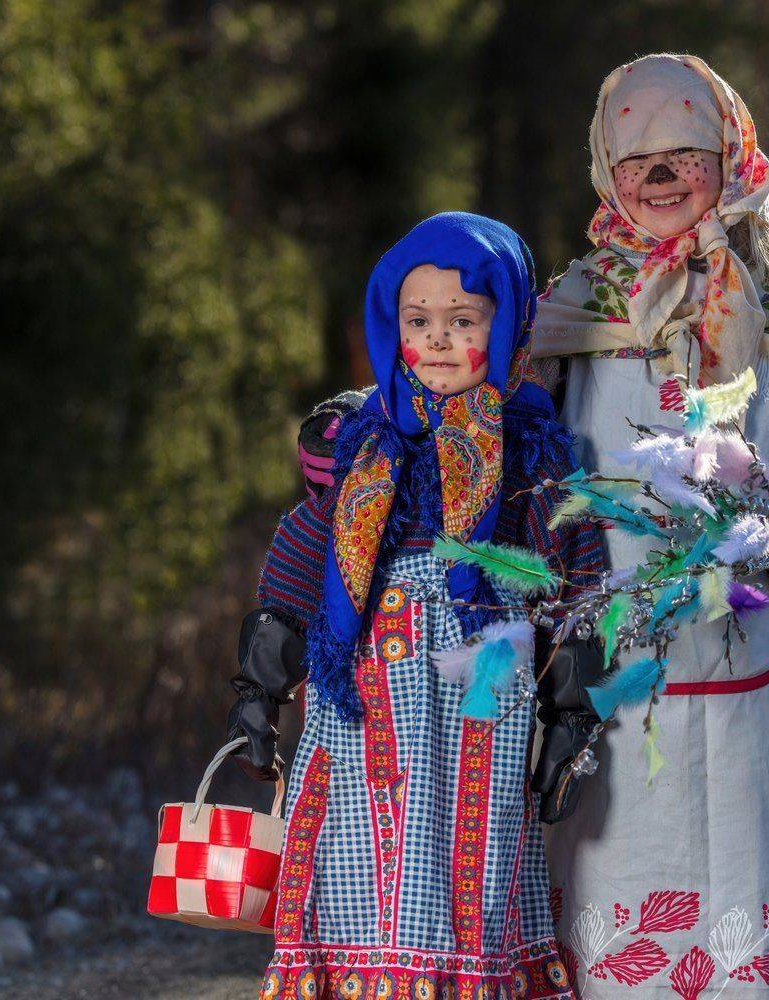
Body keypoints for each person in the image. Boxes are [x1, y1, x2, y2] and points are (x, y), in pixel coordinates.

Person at [531, 55, 769, 997]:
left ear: (732, 157)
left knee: (745, 880)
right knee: (609, 876)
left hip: (749, 653)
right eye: (637, 160)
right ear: (606, 172)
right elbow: (491, 440)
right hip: (601, 663)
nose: (660, 176)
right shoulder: (566, 315)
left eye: (685, 155)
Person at [227, 212, 603, 999]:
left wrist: (571, 713)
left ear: (508, 326)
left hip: (480, 709)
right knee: (349, 864)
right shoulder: (365, 444)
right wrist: (259, 687)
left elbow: (573, 582)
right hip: (364, 707)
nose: (437, 340)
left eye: (463, 320)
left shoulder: (531, 452)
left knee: (473, 875)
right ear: (390, 326)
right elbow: (301, 565)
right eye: (418, 320)